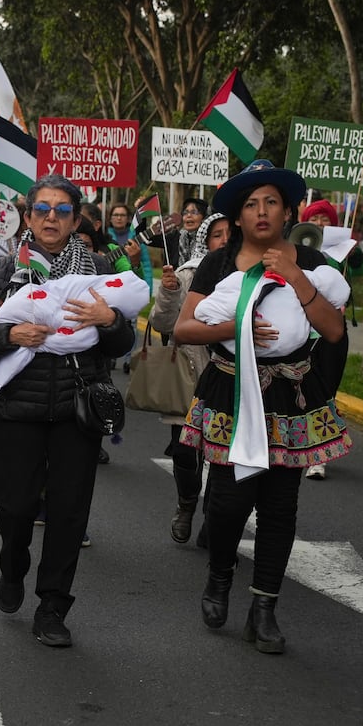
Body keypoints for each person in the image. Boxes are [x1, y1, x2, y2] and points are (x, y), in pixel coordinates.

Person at [172, 163, 351, 654]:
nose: (261, 211)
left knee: (280, 506)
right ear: (238, 215)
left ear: (288, 210)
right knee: (228, 503)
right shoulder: (219, 263)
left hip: (289, 398)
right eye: (250, 204)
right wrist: (235, 330)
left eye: (270, 202)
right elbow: (183, 330)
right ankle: (219, 579)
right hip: (231, 392)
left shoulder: (310, 261)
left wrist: (295, 277)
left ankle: (264, 609)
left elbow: (334, 332)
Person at [0, 174, 134, 648]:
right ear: (28, 216)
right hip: (17, 408)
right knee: (15, 507)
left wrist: (110, 319)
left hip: (79, 408)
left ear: (76, 219)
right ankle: (12, 565)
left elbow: (124, 342)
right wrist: (9, 336)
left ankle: (53, 606)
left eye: (61, 210)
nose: (51, 217)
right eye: (42, 209)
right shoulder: (1, 271)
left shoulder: (98, 271)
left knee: (69, 513)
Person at [149, 211, 230, 545]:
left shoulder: (252, 275)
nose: (224, 240)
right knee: (185, 452)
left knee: (223, 456)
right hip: (188, 375)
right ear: (204, 240)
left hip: (230, 379)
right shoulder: (186, 275)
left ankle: (213, 519)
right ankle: (186, 504)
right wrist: (168, 293)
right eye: (217, 234)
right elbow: (162, 324)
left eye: (230, 233)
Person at [299, 198, 344, 481]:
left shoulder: (341, 250)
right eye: (314, 219)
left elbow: (361, 276)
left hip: (331, 333)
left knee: (325, 393)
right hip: (303, 331)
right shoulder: (295, 250)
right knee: (302, 392)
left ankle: (320, 455)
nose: (319, 224)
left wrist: (349, 257)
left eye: (324, 219)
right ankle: (303, 445)